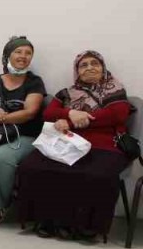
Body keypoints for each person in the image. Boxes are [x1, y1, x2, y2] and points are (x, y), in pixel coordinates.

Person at [15, 51, 133, 239]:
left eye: (95, 63)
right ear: (77, 71)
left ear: (103, 67)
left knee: (96, 173)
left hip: (104, 143)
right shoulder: (66, 92)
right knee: (32, 166)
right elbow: (48, 114)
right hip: (68, 140)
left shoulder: (115, 89)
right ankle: (47, 220)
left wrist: (70, 120)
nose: (90, 68)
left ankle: (85, 226)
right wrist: (70, 113)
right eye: (83, 65)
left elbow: (117, 115)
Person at [0, 36, 47, 224]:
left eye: (28, 53)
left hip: (24, 136)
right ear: (7, 56)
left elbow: (29, 113)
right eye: (18, 52)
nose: (23, 56)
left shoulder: (34, 82)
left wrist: (1, 116)